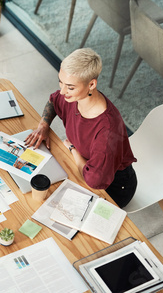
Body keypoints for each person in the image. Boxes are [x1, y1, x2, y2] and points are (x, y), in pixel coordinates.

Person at [25, 48, 137, 208]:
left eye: (70, 87)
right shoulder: (72, 98)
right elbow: (53, 101)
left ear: (91, 84)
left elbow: (94, 180)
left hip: (113, 187)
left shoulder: (107, 130)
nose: (63, 91)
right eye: (60, 82)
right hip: (83, 167)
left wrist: (72, 149)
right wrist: (43, 125)